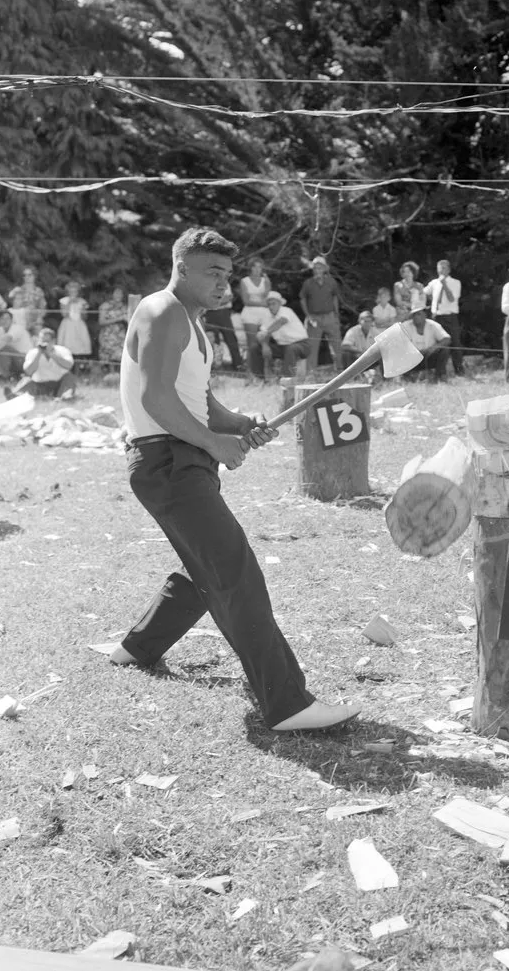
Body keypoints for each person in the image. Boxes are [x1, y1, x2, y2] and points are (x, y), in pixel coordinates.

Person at [108, 226, 358, 732]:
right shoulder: (162, 312)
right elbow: (156, 401)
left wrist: (239, 424)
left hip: (180, 460)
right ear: (181, 268)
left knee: (207, 567)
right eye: (212, 272)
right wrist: (212, 443)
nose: (224, 283)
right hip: (167, 462)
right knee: (235, 572)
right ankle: (287, 704)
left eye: (227, 273)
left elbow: (195, 401)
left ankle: (136, 649)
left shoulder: (192, 322)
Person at [7, 327, 77, 399]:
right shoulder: (33, 353)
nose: (44, 344)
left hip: (59, 384)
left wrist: (51, 354)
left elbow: (69, 365)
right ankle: (15, 395)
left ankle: (65, 396)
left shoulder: (63, 350)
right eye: (42, 341)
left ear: (53, 341)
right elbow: (28, 372)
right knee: (27, 380)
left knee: (69, 377)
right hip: (40, 384)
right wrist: (39, 354)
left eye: (47, 341)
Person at [299, 255, 342, 371]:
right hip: (314, 318)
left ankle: (341, 372)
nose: (317, 270)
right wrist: (308, 316)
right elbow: (302, 299)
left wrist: (336, 314)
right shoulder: (308, 283)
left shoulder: (331, 282)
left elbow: (334, 298)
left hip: (330, 317)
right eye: (315, 268)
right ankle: (310, 375)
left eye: (320, 267)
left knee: (337, 346)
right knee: (312, 348)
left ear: (324, 269)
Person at [257, 291, 311, 382]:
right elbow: (260, 335)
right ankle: (259, 378)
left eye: (273, 304)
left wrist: (267, 332)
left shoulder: (286, 311)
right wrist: (264, 346)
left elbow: (281, 322)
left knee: (291, 349)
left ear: (279, 303)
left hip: (302, 344)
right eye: (269, 304)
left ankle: (287, 380)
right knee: (255, 348)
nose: (271, 307)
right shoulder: (267, 316)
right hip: (282, 347)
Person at [423, 259, 464, 376]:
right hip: (437, 317)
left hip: (450, 317)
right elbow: (423, 292)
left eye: (444, 268)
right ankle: (439, 371)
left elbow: (452, 299)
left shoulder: (455, 282)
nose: (441, 271)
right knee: (437, 344)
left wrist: (444, 284)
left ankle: (459, 371)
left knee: (455, 343)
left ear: (449, 270)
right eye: (439, 268)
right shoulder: (434, 283)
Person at [239, 258, 271, 381]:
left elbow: (267, 298)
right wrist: (261, 303)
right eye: (255, 267)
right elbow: (246, 301)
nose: (258, 269)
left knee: (265, 343)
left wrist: (268, 283)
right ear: (250, 267)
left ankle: (265, 374)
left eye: (260, 267)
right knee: (252, 345)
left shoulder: (265, 280)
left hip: (264, 314)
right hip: (250, 314)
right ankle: (251, 376)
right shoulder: (244, 281)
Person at [401, 306, 451, 381]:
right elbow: (397, 341)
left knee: (445, 350)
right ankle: (406, 377)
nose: (416, 317)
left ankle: (440, 376)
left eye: (419, 314)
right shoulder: (405, 325)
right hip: (411, 358)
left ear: (425, 315)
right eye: (414, 315)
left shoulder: (433, 325)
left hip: (428, 356)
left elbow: (447, 339)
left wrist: (434, 348)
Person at [203, 282, 242, 371]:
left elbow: (228, 298)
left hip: (223, 313)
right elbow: (206, 301)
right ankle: (213, 366)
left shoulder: (225, 283)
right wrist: (220, 300)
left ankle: (238, 365)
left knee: (231, 339)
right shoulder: (205, 282)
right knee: (212, 341)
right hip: (210, 314)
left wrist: (214, 302)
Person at [0, 310, 34, 379]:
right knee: (1, 351)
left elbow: (5, 340)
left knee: (5, 348)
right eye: (2, 319)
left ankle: (2, 376)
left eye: (7, 319)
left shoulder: (17, 328)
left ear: (12, 320)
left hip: (26, 359)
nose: (5, 321)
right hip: (12, 359)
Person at [57, 279, 92, 363]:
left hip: (79, 324)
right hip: (68, 325)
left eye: (75, 292)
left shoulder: (82, 301)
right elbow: (64, 314)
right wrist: (69, 303)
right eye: (71, 292)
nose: (73, 293)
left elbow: (85, 317)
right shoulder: (64, 301)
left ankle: (78, 369)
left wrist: (83, 309)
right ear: (68, 292)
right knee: (67, 345)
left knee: (79, 347)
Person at [98, 287, 129, 371]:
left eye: (120, 293)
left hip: (121, 334)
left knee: (121, 355)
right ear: (112, 294)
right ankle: (111, 374)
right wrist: (119, 319)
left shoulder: (125, 307)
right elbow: (101, 321)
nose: (118, 295)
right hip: (108, 334)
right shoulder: (105, 306)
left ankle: (120, 375)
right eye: (116, 293)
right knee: (109, 355)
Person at [8, 267, 47, 334]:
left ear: (34, 276)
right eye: (25, 275)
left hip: (36, 322)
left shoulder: (39, 291)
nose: (27, 277)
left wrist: (39, 318)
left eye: (29, 275)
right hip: (21, 321)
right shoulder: (18, 290)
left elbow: (43, 308)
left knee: (38, 331)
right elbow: (13, 304)